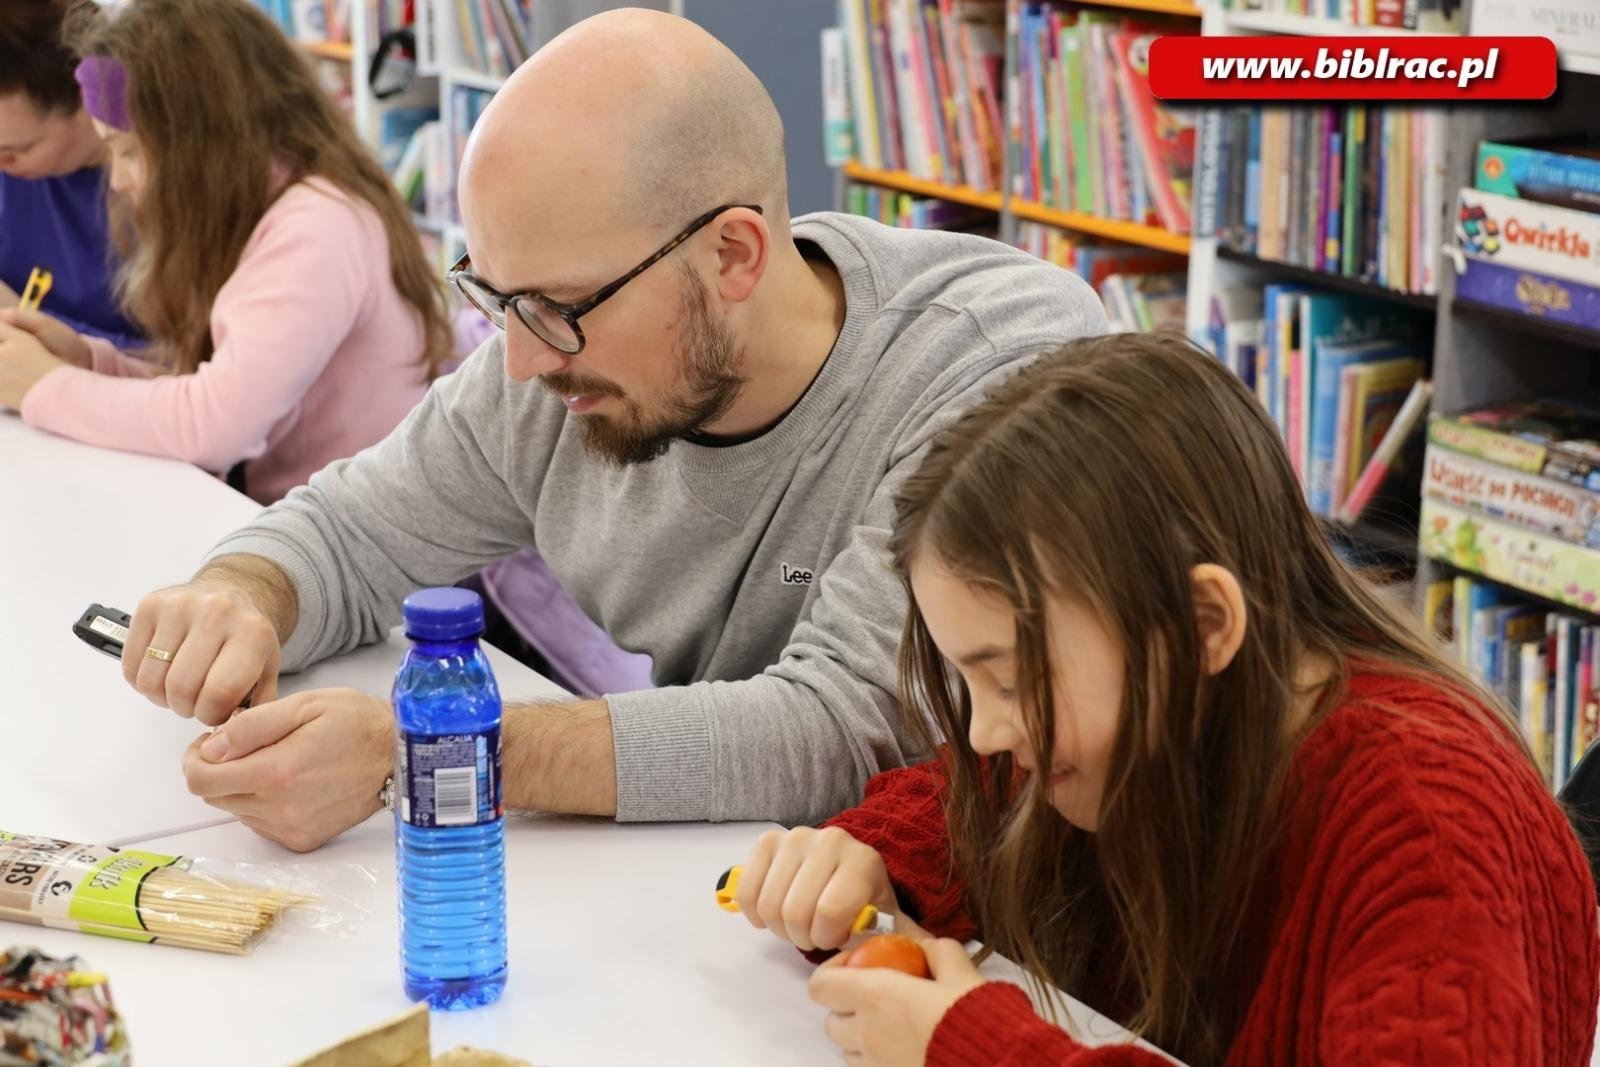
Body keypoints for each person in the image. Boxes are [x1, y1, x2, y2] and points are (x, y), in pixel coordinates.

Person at [111, 9, 1108, 852]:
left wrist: (435, 750)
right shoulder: (555, 354)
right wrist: (242, 596)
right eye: (495, 296)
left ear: (733, 254)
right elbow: (350, 531)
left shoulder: (991, 364)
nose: (519, 360)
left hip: (980, 901)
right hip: (741, 880)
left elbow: (843, 730)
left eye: (557, 305)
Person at [732, 333, 1600, 1065]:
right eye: (968, 680)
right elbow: (961, 806)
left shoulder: (1428, 826)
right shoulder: (1138, 735)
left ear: (1202, 623)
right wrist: (861, 867)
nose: (986, 730)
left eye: (1013, 679)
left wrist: (980, 1047)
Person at [0, 0, 452, 506]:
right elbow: (207, 390)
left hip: (349, 529)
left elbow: (217, 427)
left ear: (197, 139)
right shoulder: (258, 209)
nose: (120, 181)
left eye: (128, 151)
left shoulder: (316, 227)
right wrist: (87, 361)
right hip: (293, 514)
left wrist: (45, 385)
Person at [0, 0, 140, 348]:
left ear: (88, 95)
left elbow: (195, 363)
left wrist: (27, 324)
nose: (4, 168)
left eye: (17, 151)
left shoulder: (163, 189)